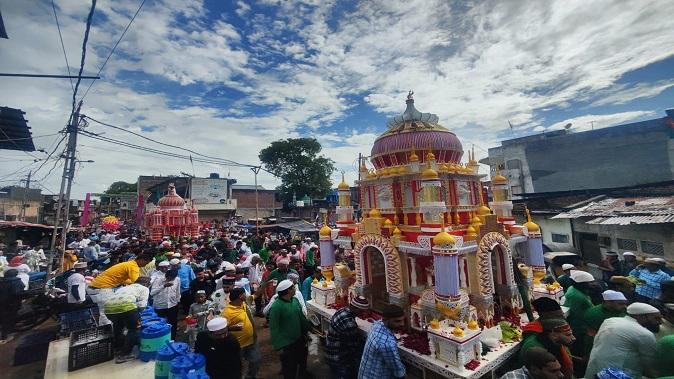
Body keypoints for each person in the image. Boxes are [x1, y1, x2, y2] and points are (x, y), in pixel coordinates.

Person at [585, 302, 663, 379]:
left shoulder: (610, 320)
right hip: (617, 374)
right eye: (656, 318)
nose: (660, 322)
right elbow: (649, 365)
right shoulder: (645, 334)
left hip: (594, 370)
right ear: (641, 316)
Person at [87, 253, 152, 325]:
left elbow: (124, 280)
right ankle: (109, 330)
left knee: (104, 311)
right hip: (102, 287)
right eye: (146, 263)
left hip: (96, 286)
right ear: (141, 260)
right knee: (107, 310)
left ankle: (105, 328)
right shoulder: (133, 266)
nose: (145, 265)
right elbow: (137, 281)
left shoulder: (128, 264)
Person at [268, 279, 311, 379]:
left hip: (299, 338)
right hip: (287, 343)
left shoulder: (295, 301)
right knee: (290, 367)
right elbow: (274, 327)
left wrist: (308, 328)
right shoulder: (277, 306)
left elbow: (301, 318)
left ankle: (303, 374)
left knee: (302, 359)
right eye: (293, 287)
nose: (295, 288)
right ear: (288, 291)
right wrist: (278, 345)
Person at [103, 283, 149, 363]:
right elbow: (142, 305)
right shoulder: (145, 288)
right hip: (126, 307)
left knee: (118, 327)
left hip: (108, 309)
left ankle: (118, 348)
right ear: (146, 284)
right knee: (134, 329)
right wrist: (137, 315)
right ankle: (125, 354)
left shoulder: (124, 288)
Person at [358, 304, 406, 379]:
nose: (402, 324)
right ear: (385, 320)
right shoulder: (386, 343)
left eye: (403, 320)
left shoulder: (377, 324)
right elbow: (398, 372)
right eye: (397, 321)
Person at [325, 295, 369, 379]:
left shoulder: (342, 310)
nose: (364, 313)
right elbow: (354, 345)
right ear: (356, 309)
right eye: (362, 311)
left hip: (331, 351)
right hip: (338, 358)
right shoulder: (349, 324)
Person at [223, 287, 260, 379]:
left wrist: (265, 281)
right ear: (240, 296)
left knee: (256, 360)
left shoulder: (244, 303)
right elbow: (219, 329)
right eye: (244, 293)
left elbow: (257, 294)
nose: (246, 295)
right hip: (238, 344)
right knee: (238, 365)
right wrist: (232, 328)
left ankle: (251, 376)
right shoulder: (227, 313)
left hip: (251, 340)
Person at [583, 290, 627, 356]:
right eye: (620, 304)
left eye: (625, 304)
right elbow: (590, 337)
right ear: (609, 302)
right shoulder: (593, 314)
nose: (625, 306)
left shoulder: (623, 311)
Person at [562, 270, 595, 356]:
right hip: (579, 327)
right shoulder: (577, 297)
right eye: (590, 283)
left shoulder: (574, 289)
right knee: (579, 349)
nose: (593, 284)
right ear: (582, 283)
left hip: (581, 326)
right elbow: (576, 314)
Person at [151, 269, 181, 339]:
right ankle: (160, 338)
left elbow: (177, 291)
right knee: (160, 323)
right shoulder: (158, 280)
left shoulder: (177, 280)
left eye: (172, 279)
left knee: (173, 322)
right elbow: (152, 293)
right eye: (169, 278)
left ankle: (172, 338)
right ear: (166, 276)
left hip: (172, 305)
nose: (171, 280)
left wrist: (178, 300)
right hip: (160, 306)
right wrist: (163, 286)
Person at [0, 269, 25, 344]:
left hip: (2, 303)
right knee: (9, 319)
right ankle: (5, 336)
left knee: (4, 319)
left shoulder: (2, 281)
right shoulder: (17, 281)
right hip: (11, 304)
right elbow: (19, 292)